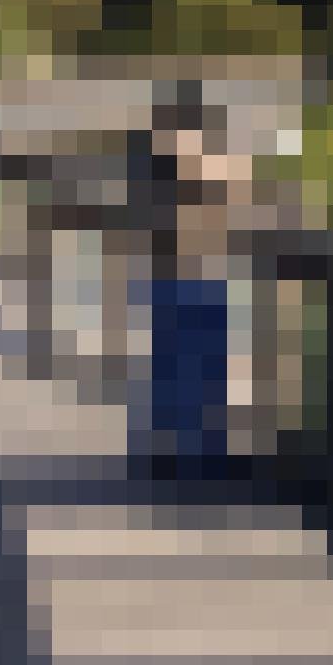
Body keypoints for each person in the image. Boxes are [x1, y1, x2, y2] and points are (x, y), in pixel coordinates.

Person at [136, 83, 244, 478]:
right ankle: (189, 449)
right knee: (190, 362)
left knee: (189, 362)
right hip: (191, 273)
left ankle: (186, 447)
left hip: (189, 272)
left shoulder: (175, 160)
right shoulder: (207, 161)